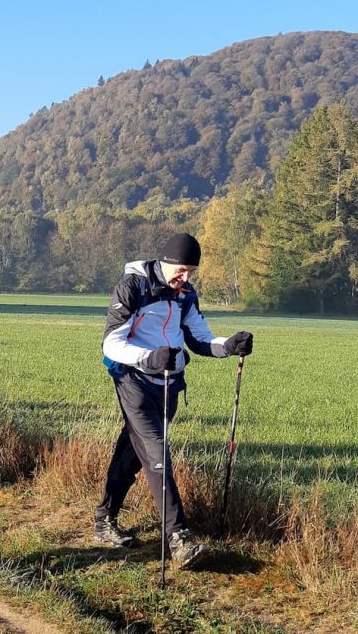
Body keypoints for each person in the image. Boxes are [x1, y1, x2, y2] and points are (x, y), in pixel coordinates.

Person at [96, 232, 254, 569]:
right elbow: (110, 343)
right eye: (181, 270)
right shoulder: (133, 287)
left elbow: (199, 339)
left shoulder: (185, 295)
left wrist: (229, 345)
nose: (186, 277)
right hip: (133, 381)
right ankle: (179, 538)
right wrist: (150, 357)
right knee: (158, 452)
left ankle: (104, 518)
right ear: (166, 262)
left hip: (169, 385)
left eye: (191, 272)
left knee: (134, 452)